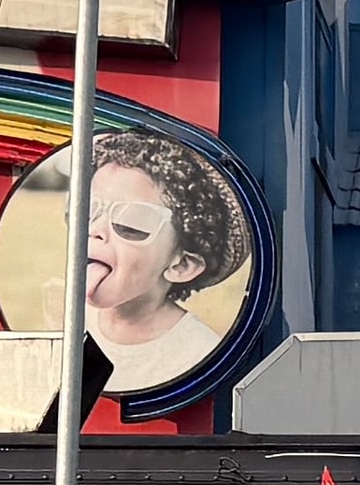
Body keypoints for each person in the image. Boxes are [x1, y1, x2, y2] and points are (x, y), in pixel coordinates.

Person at [83, 133, 250, 392]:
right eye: (85, 210)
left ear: (181, 265)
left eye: (131, 223)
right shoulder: (69, 320)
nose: (94, 229)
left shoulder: (197, 352)